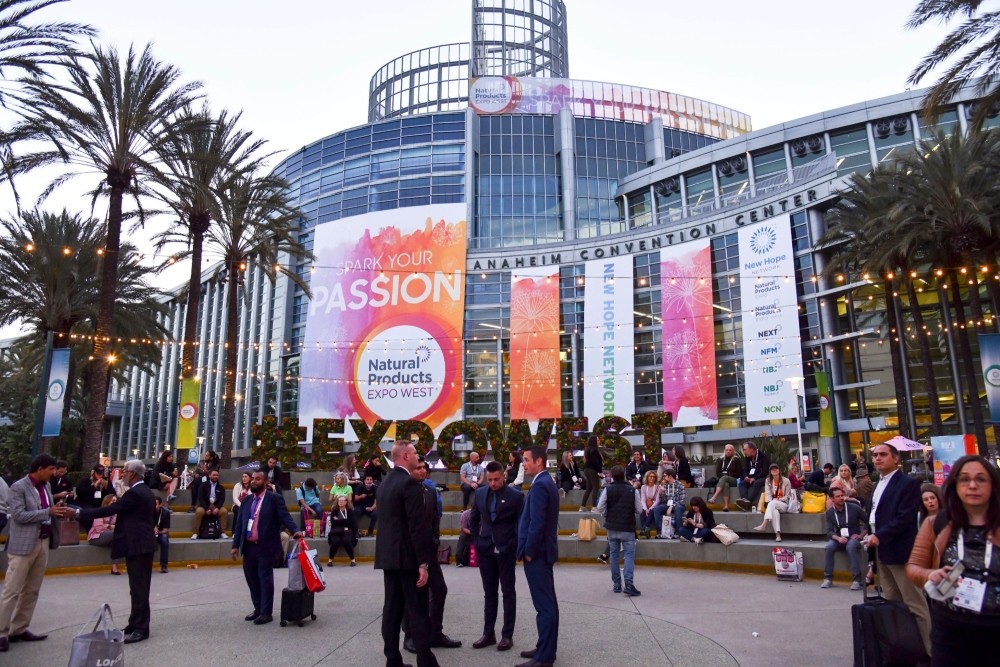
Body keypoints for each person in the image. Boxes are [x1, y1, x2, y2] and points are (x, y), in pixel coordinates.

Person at [906, 455, 1000, 664]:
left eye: (981, 479)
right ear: (955, 485)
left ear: (993, 485)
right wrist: (931, 574)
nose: (973, 485)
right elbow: (913, 568)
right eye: (965, 479)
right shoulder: (936, 523)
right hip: (950, 629)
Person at [75, 459, 157, 644]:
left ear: (133, 474)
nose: (122, 474)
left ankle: (141, 629)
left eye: (125, 471)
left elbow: (110, 509)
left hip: (139, 546)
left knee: (140, 589)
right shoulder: (143, 492)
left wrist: (79, 513)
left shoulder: (136, 493)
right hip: (140, 544)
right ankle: (134, 623)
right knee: (136, 588)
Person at [0, 454, 75, 652]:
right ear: (39, 468)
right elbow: (18, 515)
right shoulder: (19, 487)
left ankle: (19, 628)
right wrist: (47, 512)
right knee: (12, 590)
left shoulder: (46, 486)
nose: (53, 472)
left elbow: (46, 509)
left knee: (32, 589)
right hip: (23, 545)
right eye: (51, 469)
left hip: (43, 541)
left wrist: (55, 509)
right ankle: (1, 632)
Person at [374, 441, 439, 667]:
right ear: (404, 456)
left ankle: (393, 660)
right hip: (408, 559)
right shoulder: (408, 484)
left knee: (391, 609)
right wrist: (423, 562)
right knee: (418, 611)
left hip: (388, 557)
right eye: (413, 453)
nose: (416, 456)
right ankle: (425, 660)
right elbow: (417, 527)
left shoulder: (384, 484)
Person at [865, 442, 931, 656]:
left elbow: (905, 518)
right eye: (875, 455)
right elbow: (874, 515)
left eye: (883, 454)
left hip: (900, 552)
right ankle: (905, 648)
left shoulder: (908, 484)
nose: (877, 458)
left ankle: (932, 652)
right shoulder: (876, 485)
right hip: (881, 552)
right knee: (892, 602)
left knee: (915, 604)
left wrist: (879, 536)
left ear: (896, 458)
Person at [404, 455, 460, 653]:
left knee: (440, 589)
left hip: (429, 550)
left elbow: (434, 519)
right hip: (410, 553)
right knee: (412, 594)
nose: (422, 471)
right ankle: (410, 635)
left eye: (424, 468)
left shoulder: (429, 490)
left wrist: (435, 541)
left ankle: (435, 633)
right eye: (417, 468)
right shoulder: (405, 491)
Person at [231, 470, 302, 626]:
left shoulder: (274, 499)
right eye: (253, 479)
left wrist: (295, 530)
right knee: (252, 579)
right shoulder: (247, 500)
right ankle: (257, 608)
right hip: (249, 547)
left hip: (265, 546)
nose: (254, 481)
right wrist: (235, 545)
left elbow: (285, 516)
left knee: (265, 579)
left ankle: (266, 612)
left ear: (265, 482)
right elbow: (240, 525)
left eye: (258, 479)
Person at [470, 460, 524, 652]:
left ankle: (507, 636)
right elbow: (474, 518)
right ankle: (488, 633)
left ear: (504, 476)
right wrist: (477, 541)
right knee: (489, 593)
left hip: (506, 551)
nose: (493, 483)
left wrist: (514, 545)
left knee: (508, 592)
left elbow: (521, 524)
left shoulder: (517, 497)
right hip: (485, 549)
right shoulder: (480, 493)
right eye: (490, 479)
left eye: (496, 479)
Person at [516, 445, 559, 667]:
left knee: (544, 606)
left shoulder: (541, 485)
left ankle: (544, 657)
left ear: (539, 461)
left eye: (526, 459)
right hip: (542, 552)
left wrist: (529, 552)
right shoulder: (543, 482)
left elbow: (537, 523)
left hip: (538, 554)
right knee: (547, 603)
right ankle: (545, 647)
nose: (523, 463)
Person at [598, 465, 642, 596]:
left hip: (612, 527)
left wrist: (606, 514)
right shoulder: (632, 490)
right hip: (627, 527)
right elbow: (639, 510)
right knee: (628, 555)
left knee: (614, 555)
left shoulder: (608, 489)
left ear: (611, 476)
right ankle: (628, 583)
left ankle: (617, 584)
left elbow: (600, 506)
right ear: (624, 475)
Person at [821, 486, 867, 590]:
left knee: (850, 546)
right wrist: (838, 538)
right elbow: (829, 531)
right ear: (832, 499)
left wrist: (861, 536)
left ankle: (857, 580)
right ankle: (828, 578)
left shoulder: (854, 508)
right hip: (839, 538)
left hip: (853, 538)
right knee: (829, 547)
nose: (841, 498)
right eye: (838, 496)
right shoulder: (830, 513)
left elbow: (868, 522)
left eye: (842, 495)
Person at [753, 464, 793, 542]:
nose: (774, 470)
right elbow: (767, 494)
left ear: (779, 470)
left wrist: (779, 499)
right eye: (772, 469)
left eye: (776, 469)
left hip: (784, 504)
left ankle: (764, 524)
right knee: (774, 512)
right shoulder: (768, 480)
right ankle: (778, 535)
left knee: (773, 502)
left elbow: (788, 496)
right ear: (770, 472)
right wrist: (772, 501)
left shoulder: (786, 481)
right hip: (773, 504)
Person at [86, 495, 123, 575]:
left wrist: (108, 526)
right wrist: (111, 526)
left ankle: (114, 568)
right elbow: (99, 528)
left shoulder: (116, 514)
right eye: (113, 501)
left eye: (116, 501)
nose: (115, 503)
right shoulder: (101, 512)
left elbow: (120, 526)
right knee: (118, 533)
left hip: (109, 536)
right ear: (107, 502)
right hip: (96, 537)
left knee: (117, 541)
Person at [192, 468, 228, 538]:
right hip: (204, 505)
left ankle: (223, 532)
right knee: (199, 511)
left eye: (217, 475)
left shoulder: (221, 487)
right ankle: (195, 533)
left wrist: (217, 508)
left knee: (224, 511)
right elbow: (201, 498)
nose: (215, 477)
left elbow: (222, 499)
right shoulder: (203, 486)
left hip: (216, 505)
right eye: (214, 475)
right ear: (209, 476)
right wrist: (206, 508)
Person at [74, 465, 113, 529]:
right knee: (89, 513)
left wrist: (106, 487)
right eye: (98, 473)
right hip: (85, 503)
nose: (99, 476)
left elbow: (112, 494)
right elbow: (80, 492)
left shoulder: (106, 482)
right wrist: (94, 486)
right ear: (93, 473)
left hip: (99, 504)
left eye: (101, 474)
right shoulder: (86, 480)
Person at [652, 467, 686, 539]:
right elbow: (663, 501)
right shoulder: (665, 485)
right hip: (667, 505)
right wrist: (661, 493)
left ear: (670, 476)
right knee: (656, 509)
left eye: (664, 476)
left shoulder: (680, 485)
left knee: (678, 508)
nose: (663, 478)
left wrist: (671, 506)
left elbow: (682, 500)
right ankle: (659, 531)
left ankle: (678, 532)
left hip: (678, 505)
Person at [736, 441, 770, 511]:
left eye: (745, 449)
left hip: (761, 478)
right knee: (742, 483)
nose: (744, 451)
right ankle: (744, 500)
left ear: (752, 449)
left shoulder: (763, 457)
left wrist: (754, 478)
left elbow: (765, 471)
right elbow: (745, 469)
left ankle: (748, 502)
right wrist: (746, 477)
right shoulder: (747, 458)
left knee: (757, 483)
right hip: (750, 478)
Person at [325, 494, 357, 567]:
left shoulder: (350, 511)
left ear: (346, 502)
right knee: (335, 541)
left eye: (343, 501)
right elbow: (333, 522)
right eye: (339, 501)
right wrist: (344, 521)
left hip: (347, 531)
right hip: (336, 531)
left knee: (347, 541)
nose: (341, 502)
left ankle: (353, 560)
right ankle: (330, 560)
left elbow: (351, 522)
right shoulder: (334, 511)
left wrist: (338, 520)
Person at [708, 444, 741, 510]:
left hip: (734, 480)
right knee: (725, 484)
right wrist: (725, 475)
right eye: (727, 450)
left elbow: (738, 473)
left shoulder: (737, 460)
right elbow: (718, 473)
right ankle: (726, 506)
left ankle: (714, 497)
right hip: (724, 480)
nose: (728, 451)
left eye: (730, 450)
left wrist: (726, 475)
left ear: (733, 451)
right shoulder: (721, 459)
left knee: (725, 478)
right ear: (724, 451)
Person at [581, 434, 603, 512]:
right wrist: (600, 471)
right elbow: (596, 462)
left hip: (587, 470)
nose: (599, 441)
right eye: (597, 440)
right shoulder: (594, 450)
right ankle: (594, 507)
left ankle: (582, 506)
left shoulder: (588, 450)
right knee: (596, 488)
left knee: (589, 488)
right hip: (592, 470)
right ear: (594, 441)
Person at [638, 470, 660, 538]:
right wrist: (645, 509)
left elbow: (657, 501)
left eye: (654, 477)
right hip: (646, 505)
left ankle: (643, 529)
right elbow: (642, 499)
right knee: (642, 511)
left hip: (654, 506)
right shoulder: (643, 487)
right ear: (647, 477)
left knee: (652, 511)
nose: (652, 478)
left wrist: (650, 508)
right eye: (650, 476)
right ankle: (646, 531)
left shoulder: (657, 487)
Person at [154, 496, 171, 574]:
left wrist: (158, 532)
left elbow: (166, 530)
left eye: (155, 504)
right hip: (151, 533)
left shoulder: (166, 513)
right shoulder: (148, 511)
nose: (153, 506)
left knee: (164, 539)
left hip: (161, 533)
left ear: (160, 505)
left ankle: (164, 565)